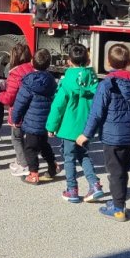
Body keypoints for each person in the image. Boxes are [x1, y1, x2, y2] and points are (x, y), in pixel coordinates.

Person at [77, 44, 130, 222]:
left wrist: (86, 134)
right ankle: (119, 202)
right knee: (122, 170)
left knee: (115, 172)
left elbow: (97, 111)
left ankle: (118, 208)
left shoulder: (107, 84)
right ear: (129, 62)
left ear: (108, 62)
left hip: (112, 135)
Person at [46, 44, 104, 203]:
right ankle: (95, 184)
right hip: (86, 126)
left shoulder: (67, 81)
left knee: (69, 157)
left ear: (69, 61)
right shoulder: (94, 80)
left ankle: (72, 189)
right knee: (83, 155)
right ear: (88, 59)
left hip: (68, 127)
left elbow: (58, 106)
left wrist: (51, 126)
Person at [11, 48, 59, 185]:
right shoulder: (51, 81)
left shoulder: (29, 83)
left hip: (32, 123)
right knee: (44, 144)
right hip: (46, 121)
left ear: (32, 62)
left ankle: (33, 174)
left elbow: (20, 102)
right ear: (48, 64)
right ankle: (53, 166)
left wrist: (15, 119)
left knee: (30, 149)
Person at [0, 42, 34, 177]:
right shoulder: (33, 70)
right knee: (28, 138)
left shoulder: (15, 74)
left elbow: (9, 97)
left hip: (19, 111)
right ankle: (21, 159)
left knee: (16, 138)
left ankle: (23, 164)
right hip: (32, 111)